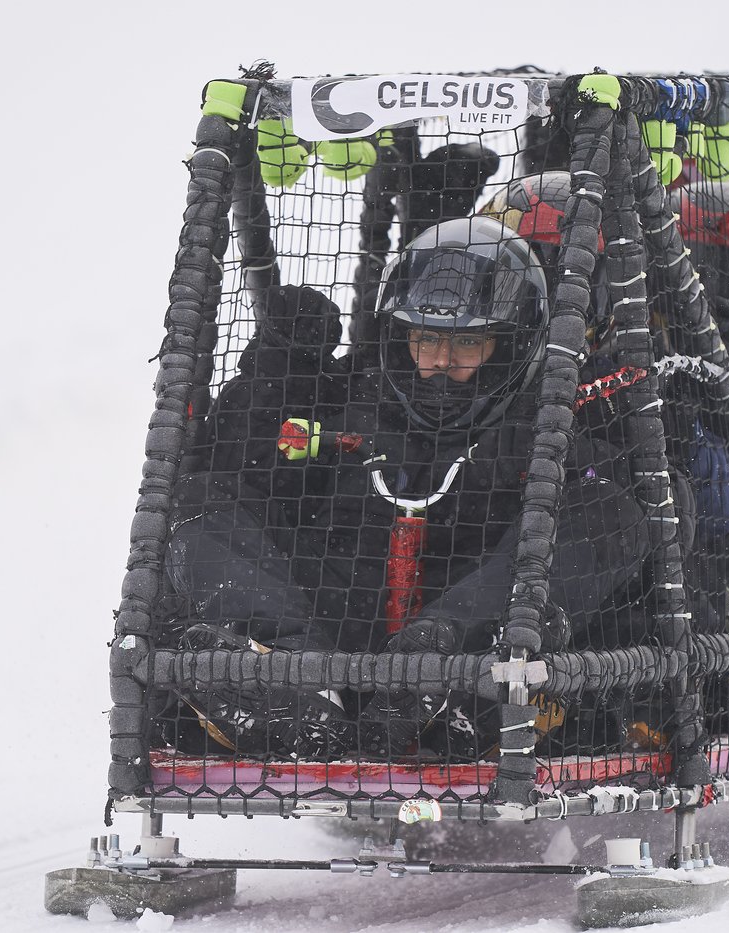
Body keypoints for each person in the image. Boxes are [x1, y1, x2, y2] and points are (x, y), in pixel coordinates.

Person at [161, 216, 650, 760]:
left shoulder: (551, 417)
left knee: (608, 512)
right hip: (331, 622)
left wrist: (447, 632)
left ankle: (444, 692)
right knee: (197, 501)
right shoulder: (355, 392)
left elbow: (619, 511)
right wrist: (276, 366)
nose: (440, 361)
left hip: (468, 631)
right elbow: (240, 475)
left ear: (509, 344)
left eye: (467, 342)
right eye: (426, 338)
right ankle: (290, 681)